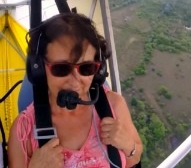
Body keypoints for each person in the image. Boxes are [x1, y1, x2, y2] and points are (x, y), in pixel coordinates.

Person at [8, 13, 142, 168]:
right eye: (61, 68)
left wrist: (127, 145)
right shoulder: (23, 131)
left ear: (98, 70)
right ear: (39, 70)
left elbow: (135, 157)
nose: (75, 81)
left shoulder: (114, 106)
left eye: (87, 68)